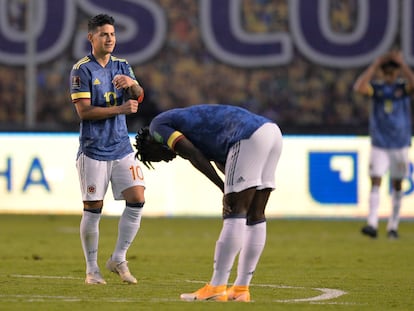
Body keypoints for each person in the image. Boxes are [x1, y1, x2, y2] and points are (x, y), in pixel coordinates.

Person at [135, 104, 283, 302]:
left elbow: (193, 155)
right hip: (271, 132)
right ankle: (240, 289)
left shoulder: (157, 127)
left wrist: (224, 188)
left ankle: (216, 287)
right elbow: (226, 161)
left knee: (234, 212)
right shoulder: (189, 126)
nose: (166, 160)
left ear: (151, 143)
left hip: (246, 136)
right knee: (255, 214)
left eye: (156, 158)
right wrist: (233, 185)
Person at [70, 14, 146, 284]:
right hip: (93, 150)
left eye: (112, 34)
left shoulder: (122, 66)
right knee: (93, 208)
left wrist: (132, 85)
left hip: (122, 147)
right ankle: (92, 269)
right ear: (91, 38)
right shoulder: (82, 70)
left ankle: (118, 258)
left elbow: (139, 95)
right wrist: (121, 109)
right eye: (103, 34)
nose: (110, 38)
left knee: (137, 199)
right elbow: (84, 112)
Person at [353, 50, 414, 239]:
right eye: (386, 71)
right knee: (376, 181)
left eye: (392, 71)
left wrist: (403, 64)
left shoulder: (402, 88)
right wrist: (375, 64)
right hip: (380, 142)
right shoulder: (377, 89)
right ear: (382, 72)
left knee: (397, 184)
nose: (389, 75)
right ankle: (372, 223)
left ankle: (393, 226)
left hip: (400, 143)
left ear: (397, 73)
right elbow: (359, 87)